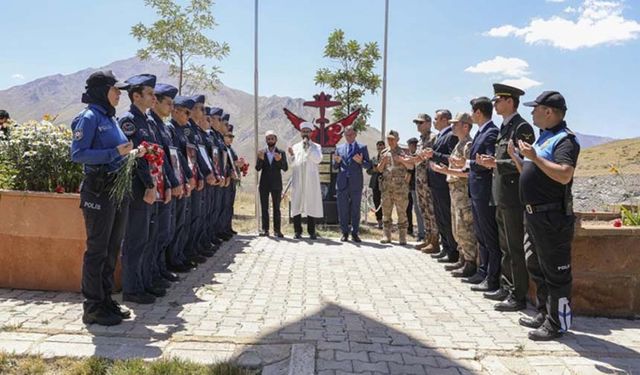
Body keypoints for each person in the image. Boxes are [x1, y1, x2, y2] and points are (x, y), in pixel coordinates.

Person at [508, 91, 579, 341]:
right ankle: (543, 313)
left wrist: (534, 157)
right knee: (536, 268)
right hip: (534, 216)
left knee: (556, 274)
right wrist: (519, 159)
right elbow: (533, 171)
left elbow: (564, 174)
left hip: (552, 219)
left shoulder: (564, 141)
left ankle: (558, 324)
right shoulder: (543, 138)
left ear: (548, 111)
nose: (532, 113)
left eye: (535, 108)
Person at [70, 70, 134, 325]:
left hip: (116, 190)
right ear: (101, 91)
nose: (119, 94)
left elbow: (117, 152)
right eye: (115, 89)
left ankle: (106, 300)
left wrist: (129, 153)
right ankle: (93, 307)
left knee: (111, 249)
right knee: (97, 250)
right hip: (98, 189)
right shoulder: (88, 118)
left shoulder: (111, 118)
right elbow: (78, 154)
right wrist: (114, 153)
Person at [477, 83, 536, 311]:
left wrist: (496, 163)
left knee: (515, 248)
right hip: (500, 195)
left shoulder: (522, 128)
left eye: (498, 100)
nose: (495, 105)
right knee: (504, 246)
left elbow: (524, 161)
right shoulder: (505, 127)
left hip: (513, 197)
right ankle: (506, 285)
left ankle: (518, 295)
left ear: (510, 101)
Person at [119, 74, 165, 305]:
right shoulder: (129, 121)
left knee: (146, 237)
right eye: (149, 93)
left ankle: (143, 282)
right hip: (137, 188)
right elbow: (134, 157)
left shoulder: (146, 121)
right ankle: (131, 289)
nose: (153, 97)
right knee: (135, 239)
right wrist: (148, 185)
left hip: (150, 186)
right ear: (136, 96)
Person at [457, 97, 500, 292]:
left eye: (473, 112)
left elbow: (488, 162)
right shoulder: (481, 133)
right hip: (476, 190)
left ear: (478, 113)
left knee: (489, 236)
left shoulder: (491, 133)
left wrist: (468, 164)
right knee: (481, 234)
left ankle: (492, 277)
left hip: (484, 190)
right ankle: (482, 272)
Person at [431, 113, 477, 278]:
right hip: (455, 192)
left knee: (465, 229)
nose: (452, 127)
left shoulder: (468, 145)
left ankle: (470, 263)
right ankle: (462, 258)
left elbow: (469, 172)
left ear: (465, 126)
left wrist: (444, 170)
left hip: (463, 193)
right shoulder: (459, 145)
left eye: (456, 124)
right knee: (457, 228)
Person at [147, 83, 182, 287]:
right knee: (153, 235)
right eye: (168, 103)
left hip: (164, 185)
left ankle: (158, 270)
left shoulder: (161, 125)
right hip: (153, 187)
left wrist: (171, 183)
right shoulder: (152, 124)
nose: (171, 107)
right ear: (155, 102)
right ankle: (149, 275)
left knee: (163, 233)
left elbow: (169, 160)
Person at [166, 96, 197, 273]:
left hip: (182, 181)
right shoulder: (170, 129)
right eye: (186, 112)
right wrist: (181, 180)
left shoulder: (182, 130)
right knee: (173, 224)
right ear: (175, 111)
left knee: (181, 222)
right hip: (174, 182)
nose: (189, 116)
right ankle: (171, 261)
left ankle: (177, 257)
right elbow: (173, 159)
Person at [425, 110, 459, 262]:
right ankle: (445, 247)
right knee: (440, 218)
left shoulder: (451, 136)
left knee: (446, 217)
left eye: (436, 119)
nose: (434, 122)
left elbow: (452, 158)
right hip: (435, 183)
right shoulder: (439, 136)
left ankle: (452, 251)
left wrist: (434, 155)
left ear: (445, 120)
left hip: (444, 183)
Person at [333, 126, 371, 242]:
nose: (349, 137)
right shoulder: (339, 148)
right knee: (342, 208)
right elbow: (334, 167)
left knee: (355, 209)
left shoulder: (362, 148)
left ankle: (355, 233)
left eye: (351, 135)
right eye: (346, 135)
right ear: (344, 135)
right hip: (342, 183)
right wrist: (337, 162)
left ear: (355, 135)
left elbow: (368, 165)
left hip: (356, 183)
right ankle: (344, 232)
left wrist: (361, 162)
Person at [377, 130, 414, 245]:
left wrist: (401, 160)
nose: (390, 141)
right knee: (386, 213)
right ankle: (386, 235)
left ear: (398, 139)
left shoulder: (403, 152)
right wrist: (382, 162)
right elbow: (379, 169)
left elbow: (411, 166)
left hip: (400, 188)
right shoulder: (384, 152)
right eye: (388, 139)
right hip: (387, 188)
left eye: (393, 139)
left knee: (401, 213)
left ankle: (402, 236)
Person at [288, 122, 323, 239]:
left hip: (310, 180)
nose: (306, 133)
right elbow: (293, 164)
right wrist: (292, 156)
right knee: (297, 204)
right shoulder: (295, 147)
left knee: (310, 203)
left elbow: (318, 159)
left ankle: (312, 231)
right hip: (298, 179)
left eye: (308, 131)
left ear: (311, 133)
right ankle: (297, 231)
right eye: (304, 131)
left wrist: (309, 148)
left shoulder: (316, 147)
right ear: (300, 133)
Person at [412, 114, 439, 253]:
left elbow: (433, 157)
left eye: (421, 123)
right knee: (423, 209)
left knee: (431, 210)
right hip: (420, 179)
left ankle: (435, 241)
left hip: (429, 180)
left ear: (428, 123)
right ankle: (428, 238)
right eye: (417, 123)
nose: (418, 125)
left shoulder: (433, 138)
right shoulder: (420, 140)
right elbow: (417, 159)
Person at [256, 130, 288, 237]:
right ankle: (265, 230)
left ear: (276, 140)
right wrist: (260, 160)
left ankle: (277, 230)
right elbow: (258, 168)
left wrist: (279, 160)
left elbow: (285, 168)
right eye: (268, 139)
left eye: (272, 138)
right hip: (264, 184)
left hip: (276, 184)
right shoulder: (262, 152)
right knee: (264, 207)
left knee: (276, 208)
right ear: (266, 140)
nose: (270, 140)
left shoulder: (281, 152)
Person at [406, 137, 425, 242]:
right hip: (412, 186)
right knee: (416, 210)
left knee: (420, 210)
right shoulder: (412, 156)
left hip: (417, 186)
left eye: (410, 145)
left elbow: (410, 168)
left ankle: (422, 233)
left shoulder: (415, 157)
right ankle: (421, 232)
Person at [366, 140, 385, 229]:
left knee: (386, 203)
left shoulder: (387, 158)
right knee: (376, 202)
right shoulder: (374, 159)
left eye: (382, 148)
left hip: (386, 184)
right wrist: (374, 170)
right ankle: (380, 222)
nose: (380, 149)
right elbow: (368, 171)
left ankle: (387, 222)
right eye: (379, 148)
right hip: (375, 184)